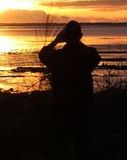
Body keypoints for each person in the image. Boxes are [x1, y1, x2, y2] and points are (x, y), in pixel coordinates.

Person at [39, 20, 100, 157]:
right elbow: (95, 57)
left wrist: (56, 41)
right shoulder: (87, 54)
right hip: (83, 106)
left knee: (62, 146)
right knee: (82, 145)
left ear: (65, 37)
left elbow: (43, 54)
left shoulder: (57, 56)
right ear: (80, 36)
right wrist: (77, 41)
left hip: (61, 106)